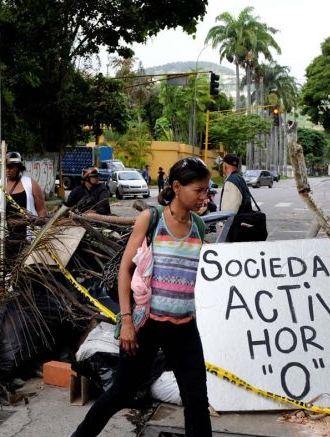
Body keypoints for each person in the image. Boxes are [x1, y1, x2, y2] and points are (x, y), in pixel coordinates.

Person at [73, 157, 213, 437]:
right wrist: (126, 320)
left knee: (196, 400)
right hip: (146, 324)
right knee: (122, 391)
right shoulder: (152, 219)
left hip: (184, 327)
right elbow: (125, 270)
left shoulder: (199, 225)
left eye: (206, 190)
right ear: (176, 186)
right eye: (198, 190)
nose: (204, 196)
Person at [0, 151, 48, 256]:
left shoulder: (31, 184)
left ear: (18, 167)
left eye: (11, 167)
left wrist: (42, 229)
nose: (7, 170)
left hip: (26, 230)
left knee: (25, 263)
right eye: (5, 167)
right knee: (4, 263)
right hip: (0, 229)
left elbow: (41, 209)